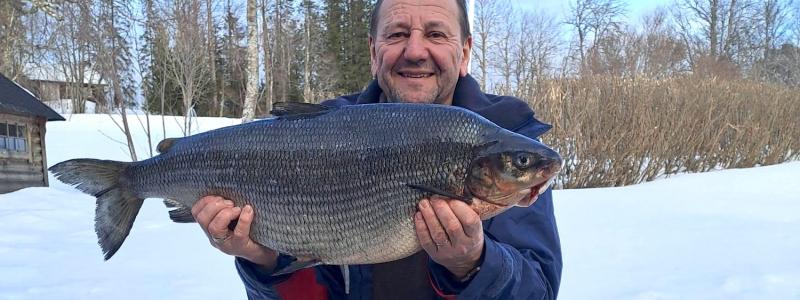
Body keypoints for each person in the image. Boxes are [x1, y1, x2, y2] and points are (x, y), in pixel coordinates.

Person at [190, 0, 562, 298]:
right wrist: (262, 261)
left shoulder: (510, 144)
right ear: (373, 51)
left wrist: (473, 264)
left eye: (435, 34)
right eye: (398, 34)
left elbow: (539, 291)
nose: (415, 50)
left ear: (464, 53)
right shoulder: (322, 135)